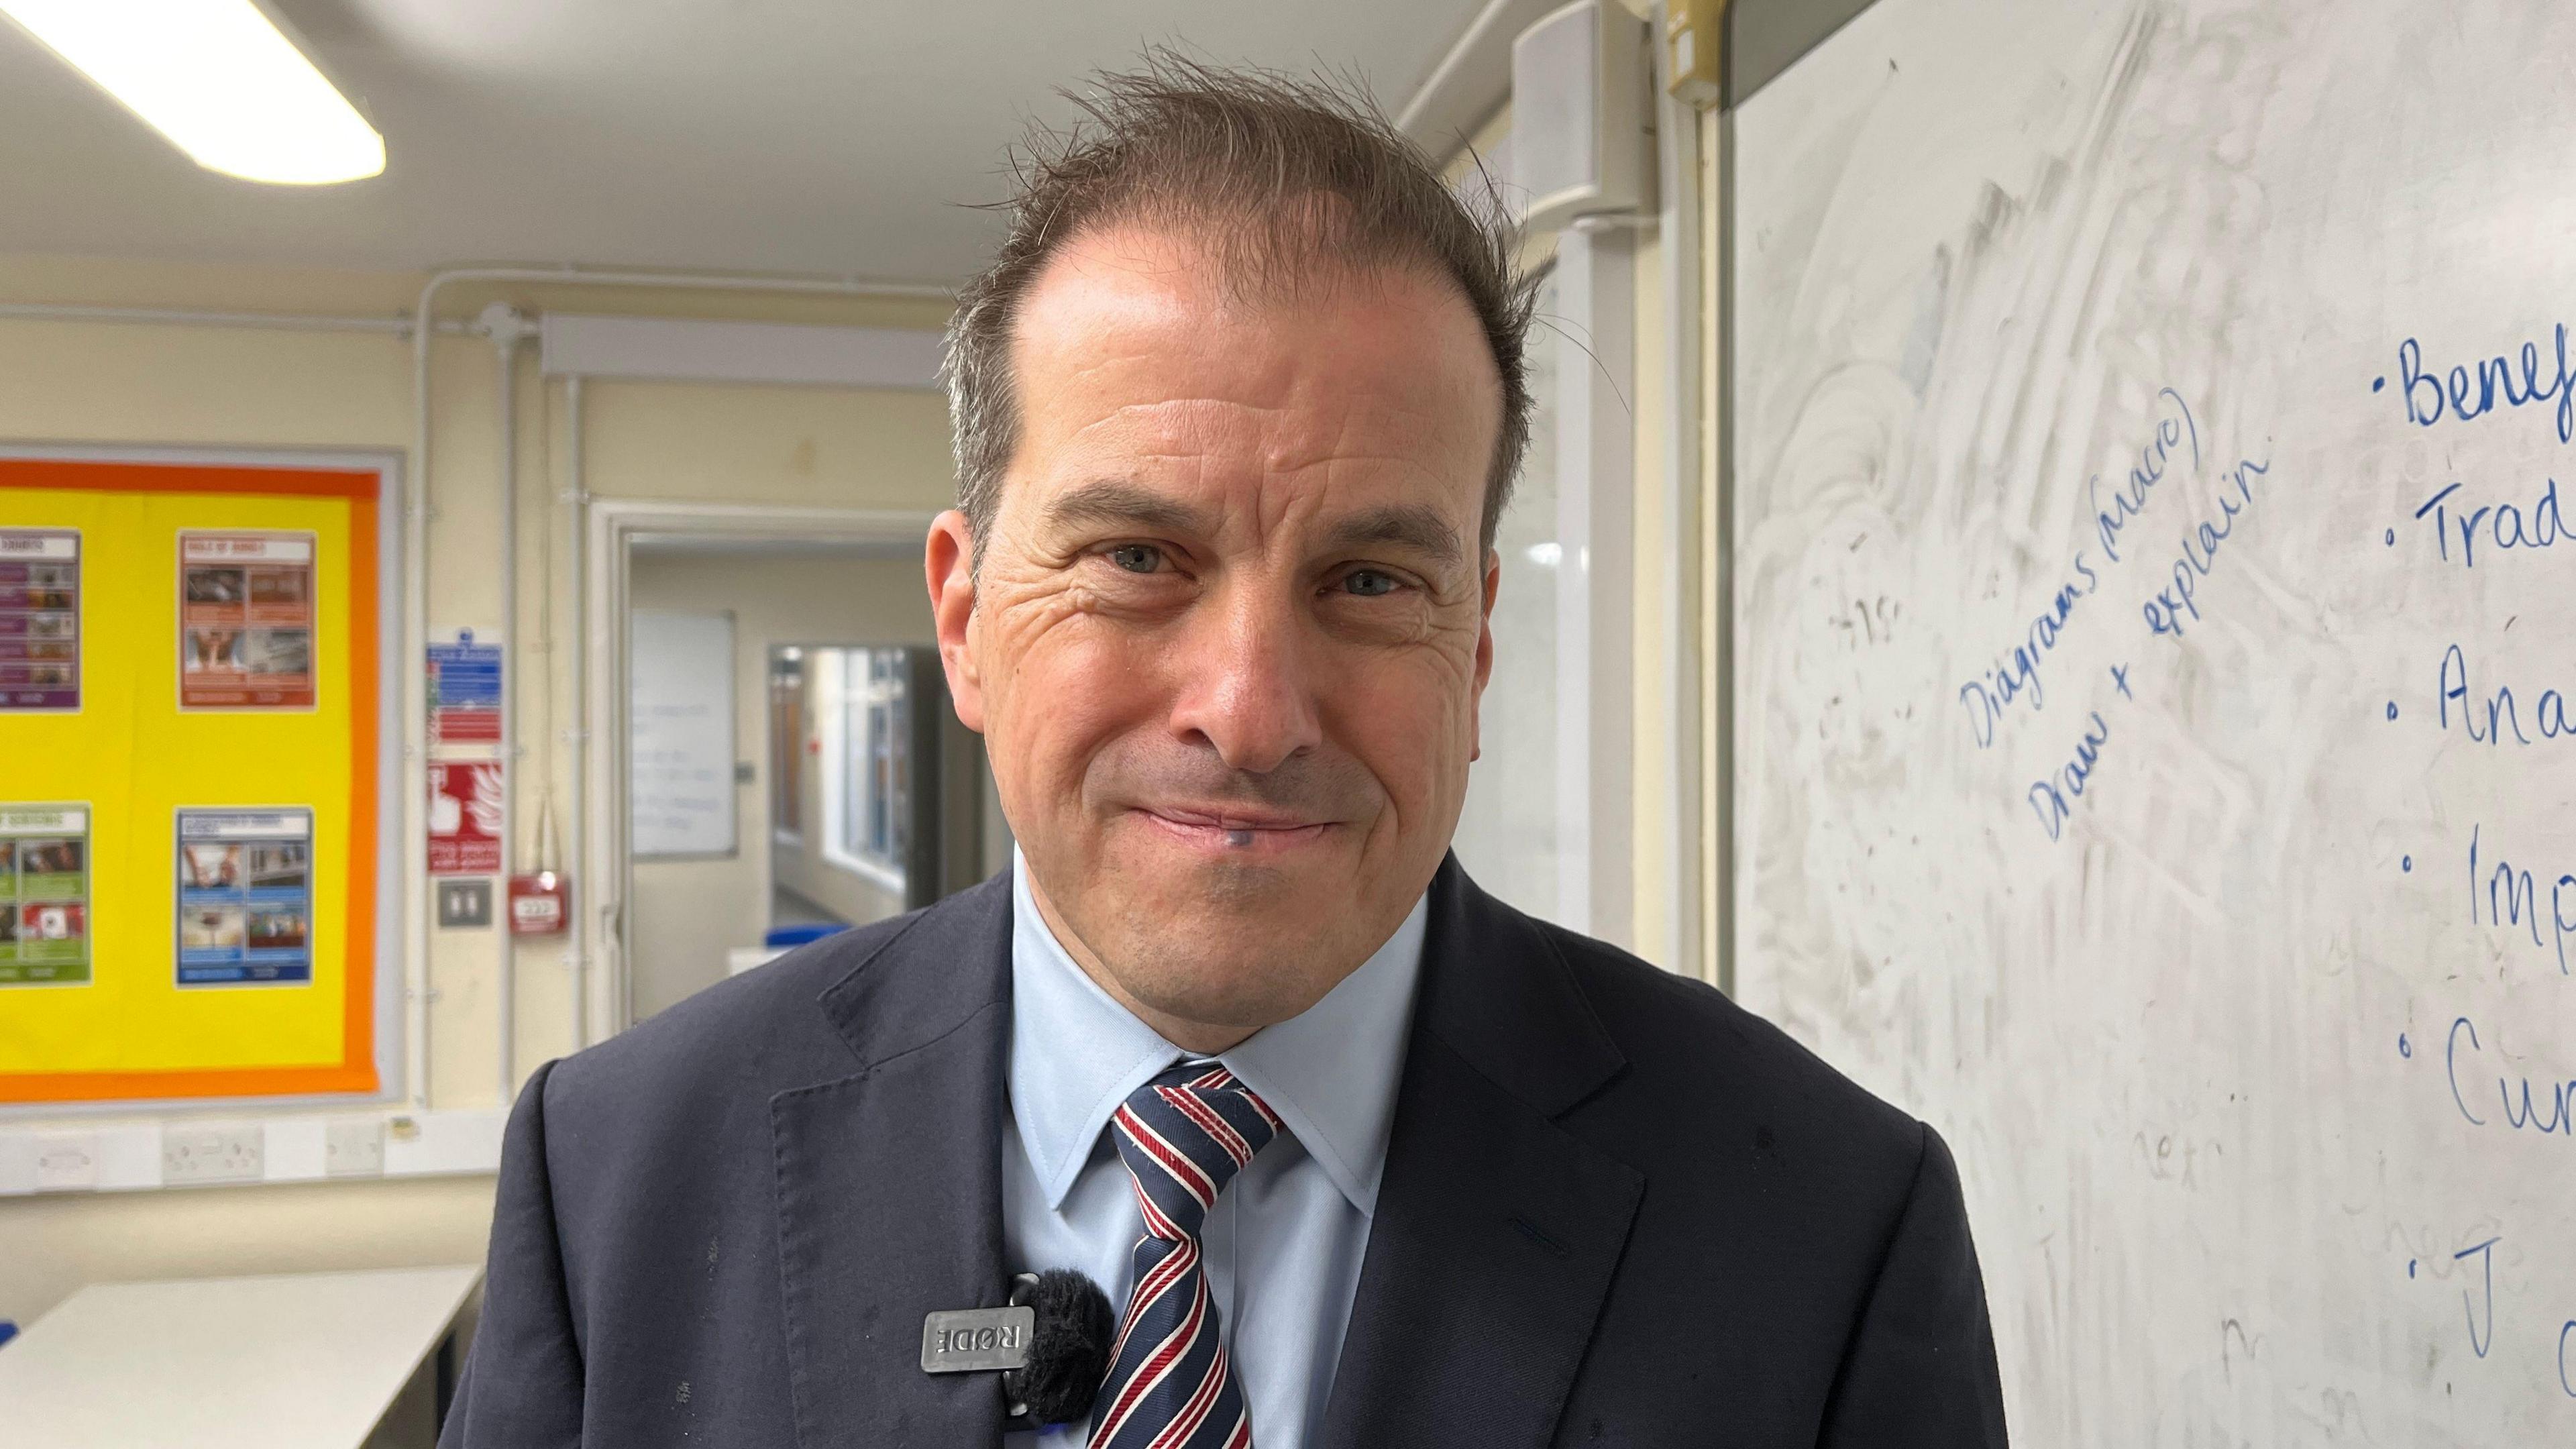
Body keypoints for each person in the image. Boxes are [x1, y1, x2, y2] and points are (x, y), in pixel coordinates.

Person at [441, 57, 2007, 1449]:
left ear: (1473, 654)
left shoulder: (1821, 1231)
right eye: (1137, 557)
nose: (1252, 713)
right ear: (968, 617)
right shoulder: (622, 1178)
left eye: (1373, 582)